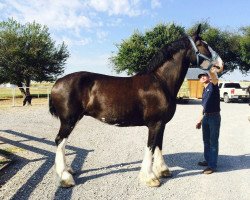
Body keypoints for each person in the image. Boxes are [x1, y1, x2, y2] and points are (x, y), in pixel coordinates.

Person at [196, 65, 224, 174]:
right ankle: (207, 160)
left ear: (209, 77)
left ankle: (212, 166)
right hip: (206, 117)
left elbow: (214, 76)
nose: (202, 77)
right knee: (206, 141)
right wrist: (199, 120)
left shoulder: (213, 85)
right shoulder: (204, 89)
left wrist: (209, 68)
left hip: (214, 117)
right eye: (200, 77)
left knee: (213, 142)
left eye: (204, 75)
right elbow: (204, 106)